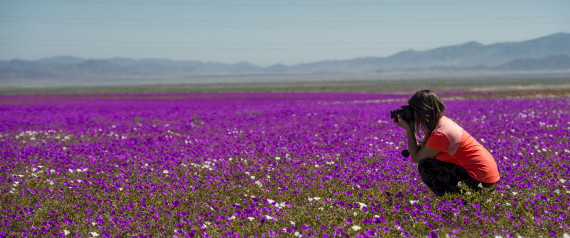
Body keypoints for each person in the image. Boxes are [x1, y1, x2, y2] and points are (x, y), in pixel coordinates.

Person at [393, 90, 500, 196]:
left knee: (426, 165)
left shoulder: (440, 134)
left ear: (422, 110)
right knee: (428, 161)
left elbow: (416, 157)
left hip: (481, 181)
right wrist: (410, 127)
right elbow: (421, 149)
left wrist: (409, 130)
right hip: (486, 178)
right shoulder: (442, 122)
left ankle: (454, 201)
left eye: (413, 109)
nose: (412, 113)